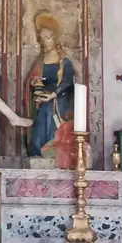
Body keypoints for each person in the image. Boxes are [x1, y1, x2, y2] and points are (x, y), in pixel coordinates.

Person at [23, 12, 79, 168]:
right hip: (42, 99)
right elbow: (32, 78)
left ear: (55, 38)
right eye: (42, 38)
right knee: (40, 122)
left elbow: (67, 81)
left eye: (47, 38)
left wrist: (53, 95)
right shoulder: (41, 60)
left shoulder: (64, 61)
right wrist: (34, 82)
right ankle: (38, 152)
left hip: (59, 100)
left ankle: (53, 152)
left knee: (50, 118)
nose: (45, 42)